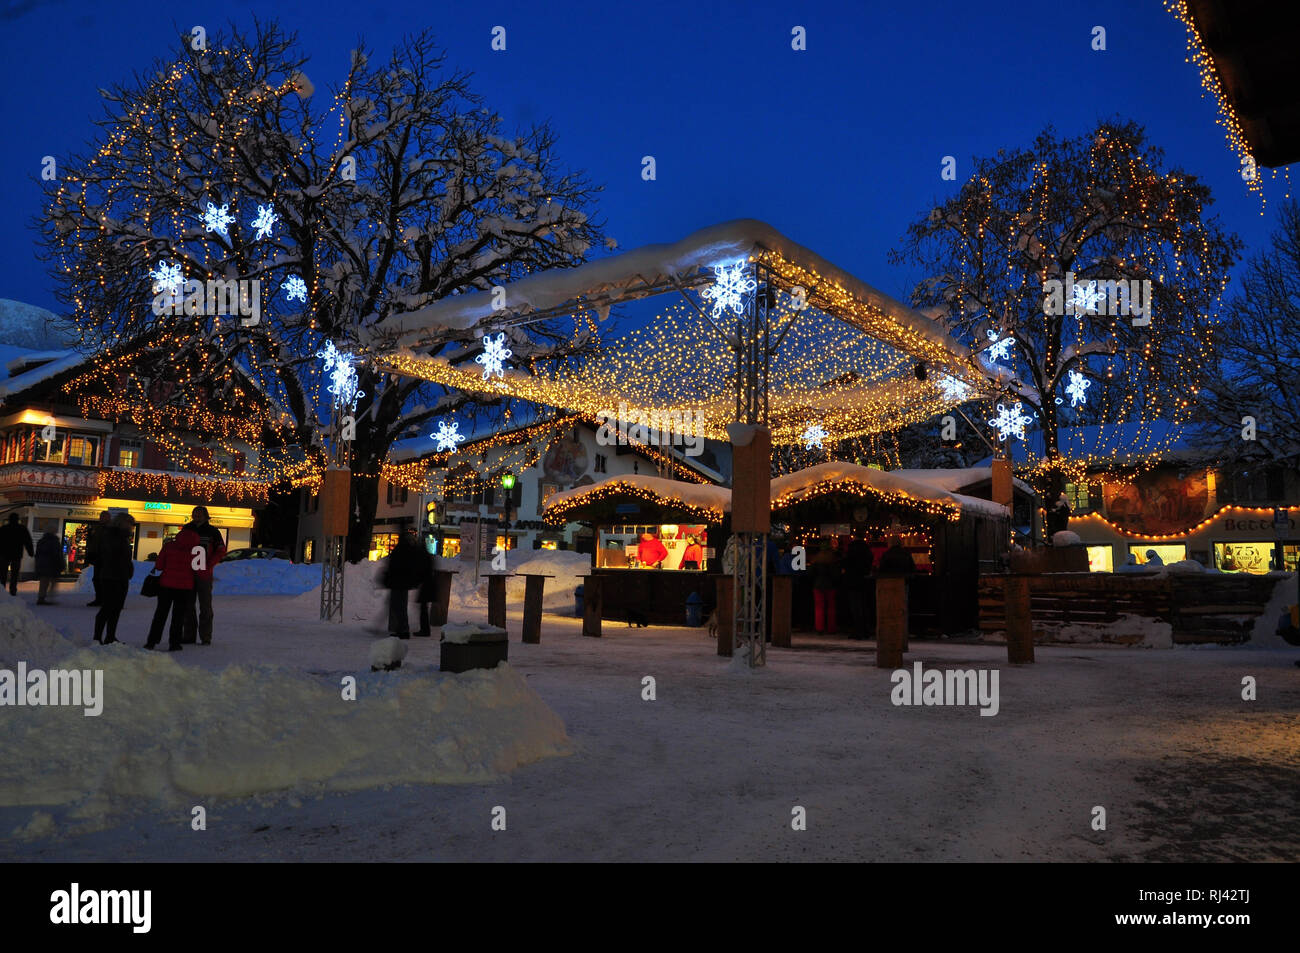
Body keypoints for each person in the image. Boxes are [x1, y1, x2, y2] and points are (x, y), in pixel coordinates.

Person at [145, 524, 201, 651]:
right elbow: (199, 569)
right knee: (178, 616)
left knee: (160, 614)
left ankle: (151, 642)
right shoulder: (197, 550)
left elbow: (159, 566)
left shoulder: (169, 546)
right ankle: (174, 643)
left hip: (166, 585)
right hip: (185, 587)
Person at [182, 506, 226, 645]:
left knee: (205, 606)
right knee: (188, 606)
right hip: (187, 572)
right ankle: (189, 636)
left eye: (200, 514)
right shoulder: (186, 529)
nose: (197, 516)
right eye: (195, 514)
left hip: (204, 574)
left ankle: (206, 637)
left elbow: (220, 550)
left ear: (206, 516)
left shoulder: (213, 531)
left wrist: (209, 565)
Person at [93, 513, 135, 644]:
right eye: (130, 523)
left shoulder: (120, 536)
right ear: (122, 523)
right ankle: (98, 637)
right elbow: (113, 556)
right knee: (108, 607)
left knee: (115, 608)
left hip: (118, 576)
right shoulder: (114, 536)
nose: (132, 527)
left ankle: (110, 636)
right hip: (112, 576)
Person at [383, 529, 423, 639]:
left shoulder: (402, 550)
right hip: (402, 583)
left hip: (398, 582)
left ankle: (401, 630)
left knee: (398, 607)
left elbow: (395, 566)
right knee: (400, 607)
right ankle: (402, 629)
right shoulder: (409, 550)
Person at [842, 539, 875, 639]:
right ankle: (866, 630)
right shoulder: (867, 553)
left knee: (856, 608)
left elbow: (845, 564)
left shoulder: (851, 554)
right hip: (864, 582)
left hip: (853, 583)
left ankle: (858, 630)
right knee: (864, 607)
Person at [810, 541, 841, 633]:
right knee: (831, 607)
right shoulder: (832, 559)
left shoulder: (816, 559)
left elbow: (810, 573)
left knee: (819, 607)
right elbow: (836, 574)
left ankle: (819, 628)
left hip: (818, 585)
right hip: (830, 585)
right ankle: (831, 628)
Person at [0, 513, 34, 596]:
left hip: (4, 554)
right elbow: (28, 542)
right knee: (14, 574)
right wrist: (31, 552)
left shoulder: (4, 528)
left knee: (2, 573)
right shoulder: (22, 529)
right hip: (17, 554)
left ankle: (2, 590)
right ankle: (13, 590)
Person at [84, 510, 111, 606]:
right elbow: (94, 543)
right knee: (97, 579)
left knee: (103, 579)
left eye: (103, 516)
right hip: (98, 557)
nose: (101, 518)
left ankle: (104, 599)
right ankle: (99, 598)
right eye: (101, 516)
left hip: (105, 558)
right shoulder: (98, 528)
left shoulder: (110, 529)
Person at [414, 535, 436, 637]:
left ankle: (425, 630)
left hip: (426, 586)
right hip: (429, 585)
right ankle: (425, 629)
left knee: (423, 609)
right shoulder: (427, 555)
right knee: (424, 609)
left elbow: (421, 572)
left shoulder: (422, 556)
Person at [34, 531, 65, 604]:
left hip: (42, 565)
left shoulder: (41, 541)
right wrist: (61, 564)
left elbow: (37, 554)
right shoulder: (55, 542)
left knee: (43, 581)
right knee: (53, 581)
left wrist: (37, 563)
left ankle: (41, 598)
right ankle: (50, 596)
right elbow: (57, 555)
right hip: (52, 565)